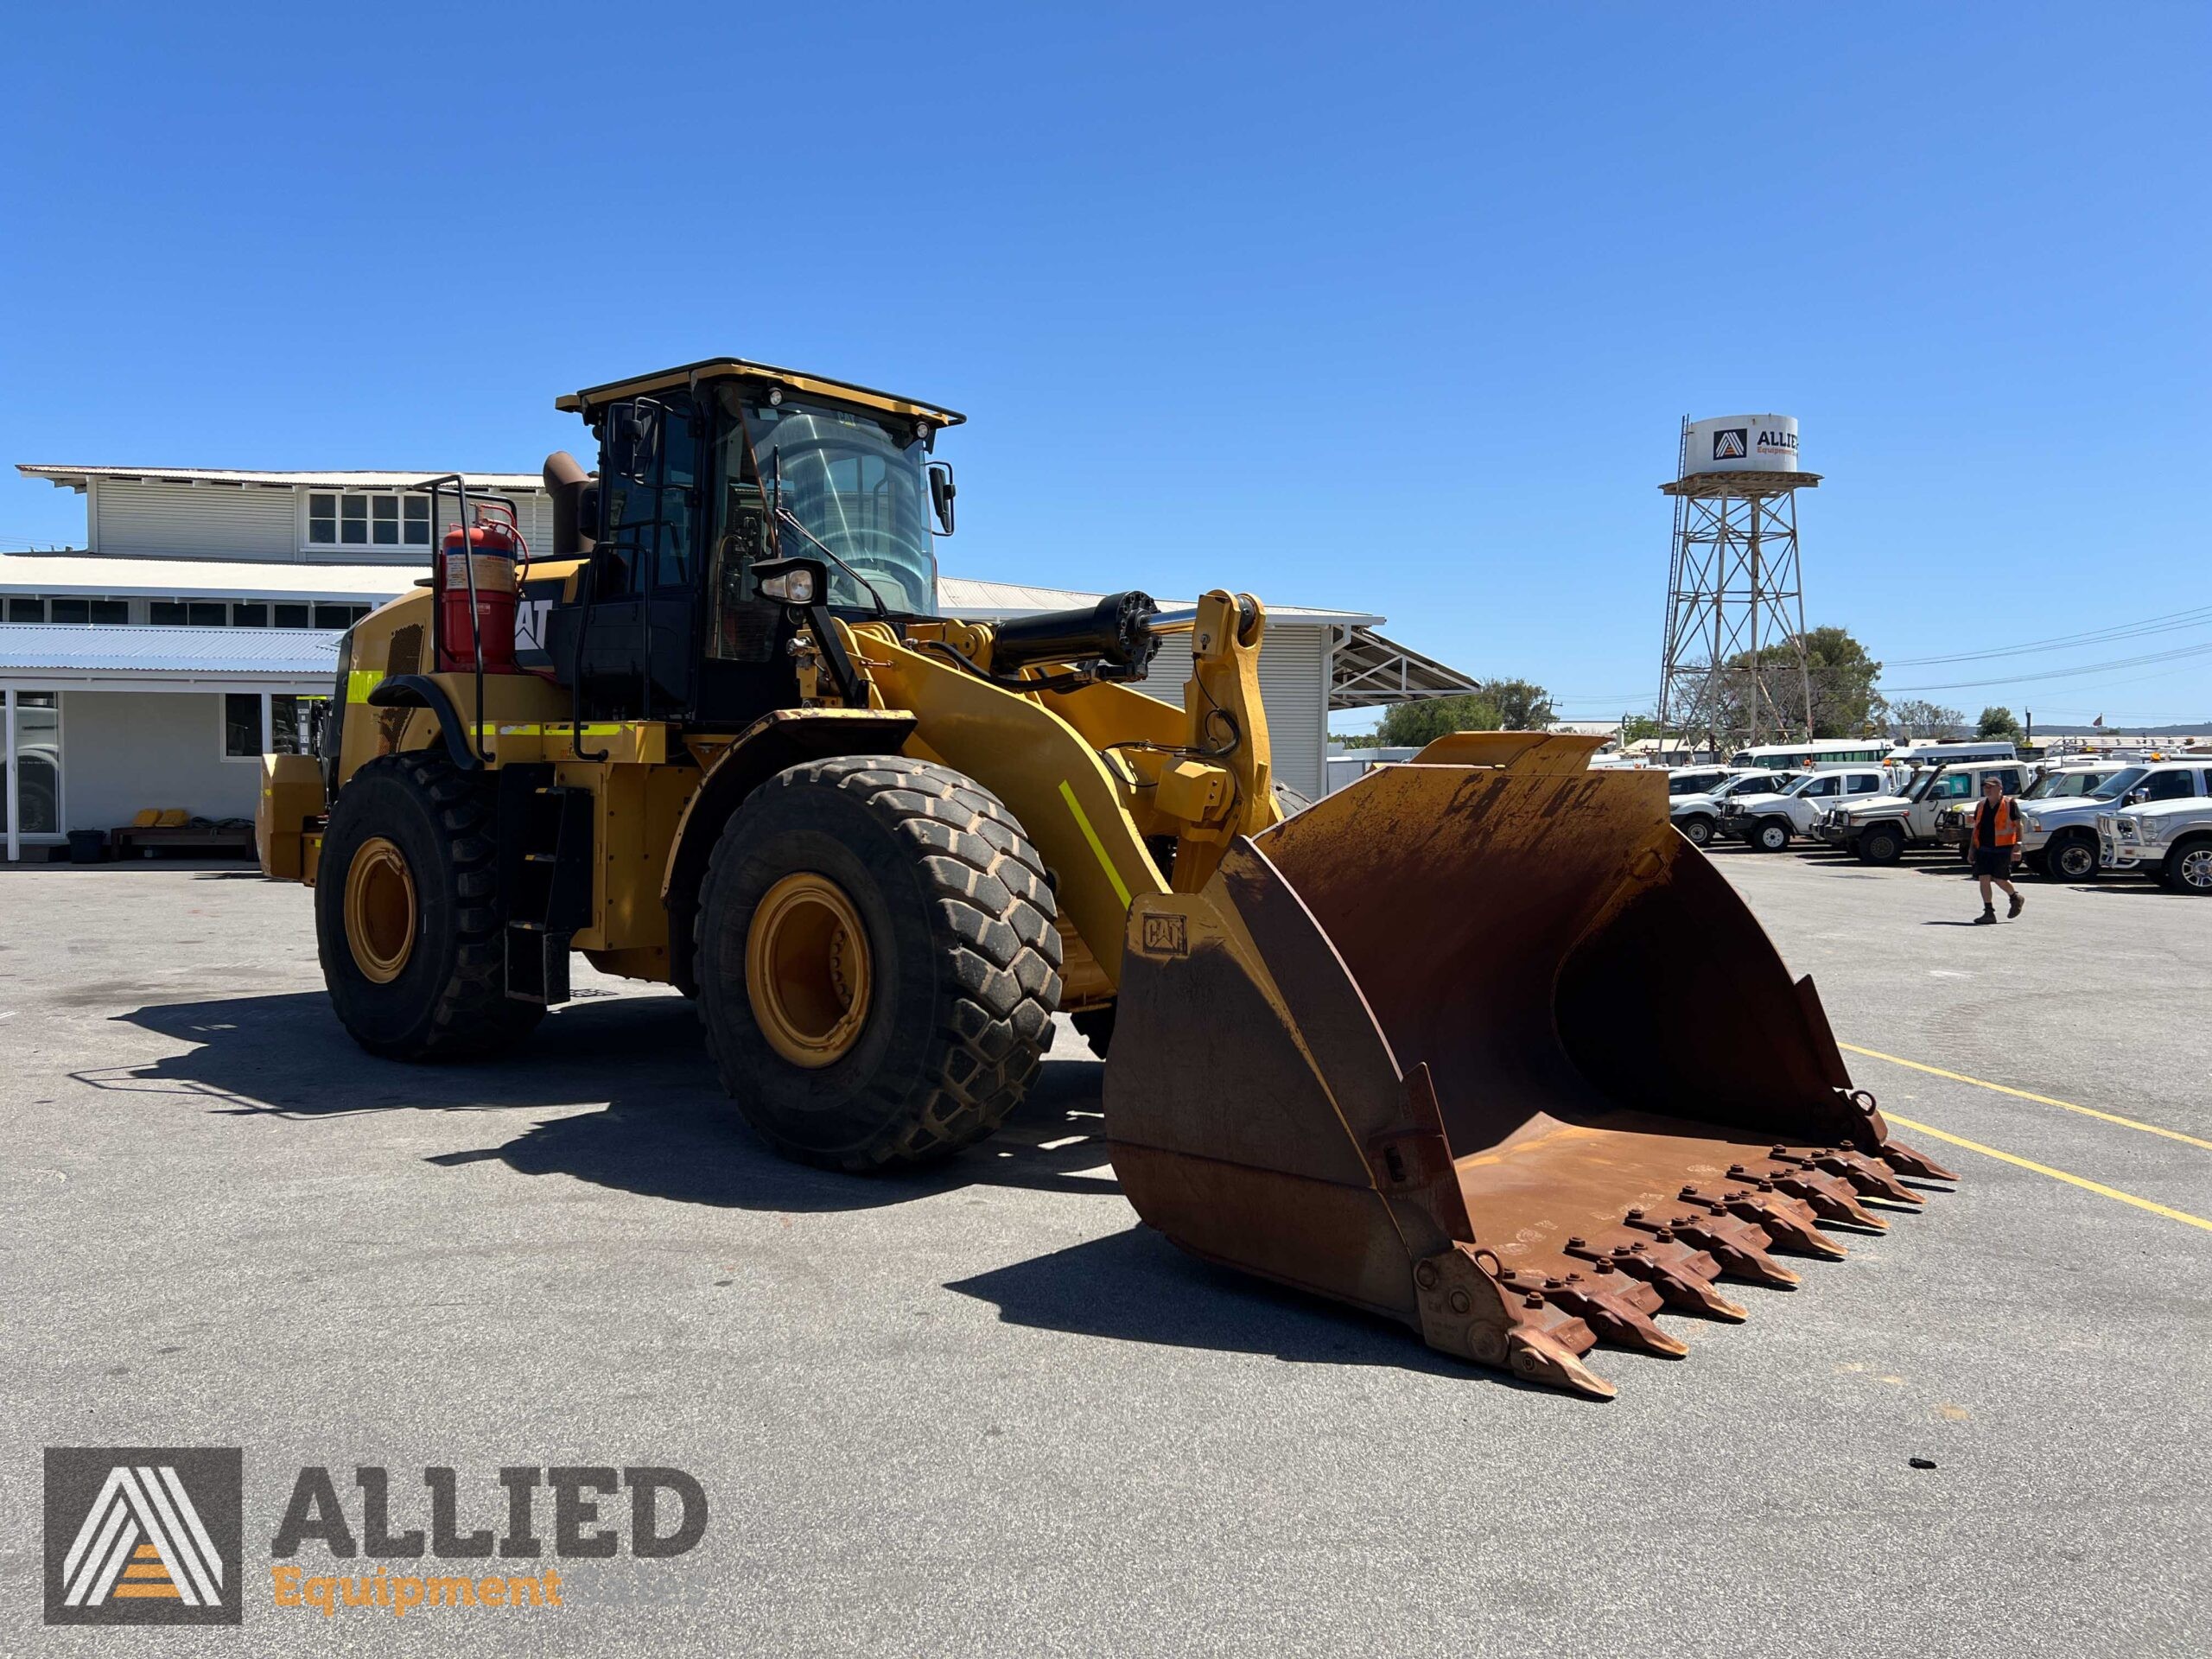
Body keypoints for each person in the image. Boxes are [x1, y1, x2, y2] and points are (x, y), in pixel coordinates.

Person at [1963, 773, 2025, 924]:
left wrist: (2017, 846)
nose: (1987, 789)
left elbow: (2019, 826)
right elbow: (1976, 828)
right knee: (1983, 878)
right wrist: (1971, 849)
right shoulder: (1981, 805)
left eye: (1991, 787)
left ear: (2000, 789)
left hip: (2003, 848)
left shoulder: (2010, 804)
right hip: (1984, 847)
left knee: (2000, 879)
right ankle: (1989, 912)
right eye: (1986, 787)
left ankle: (2015, 897)